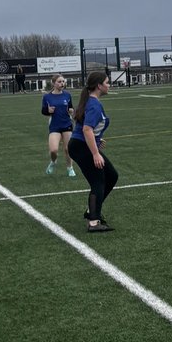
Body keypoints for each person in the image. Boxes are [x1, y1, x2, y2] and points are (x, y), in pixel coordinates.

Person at [68, 71, 117, 232]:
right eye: (107, 82)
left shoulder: (91, 101)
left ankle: (92, 211)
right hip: (81, 147)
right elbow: (87, 129)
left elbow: (87, 128)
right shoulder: (94, 104)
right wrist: (95, 153)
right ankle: (94, 222)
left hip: (82, 145)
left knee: (111, 176)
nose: (109, 85)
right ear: (99, 86)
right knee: (98, 181)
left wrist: (97, 140)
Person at [41, 74, 76, 177]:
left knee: (68, 149)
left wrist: (71, 110)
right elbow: (43, 111)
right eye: (59, 82)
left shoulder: (67, 95)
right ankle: (53, 162)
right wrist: (48, 111)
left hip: (67, 124)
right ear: (53, 83)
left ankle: (70, 168)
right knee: (53, 150)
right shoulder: (47, 97)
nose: (62, 83)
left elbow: (70, 108)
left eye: (63, 81)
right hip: (55, 126)